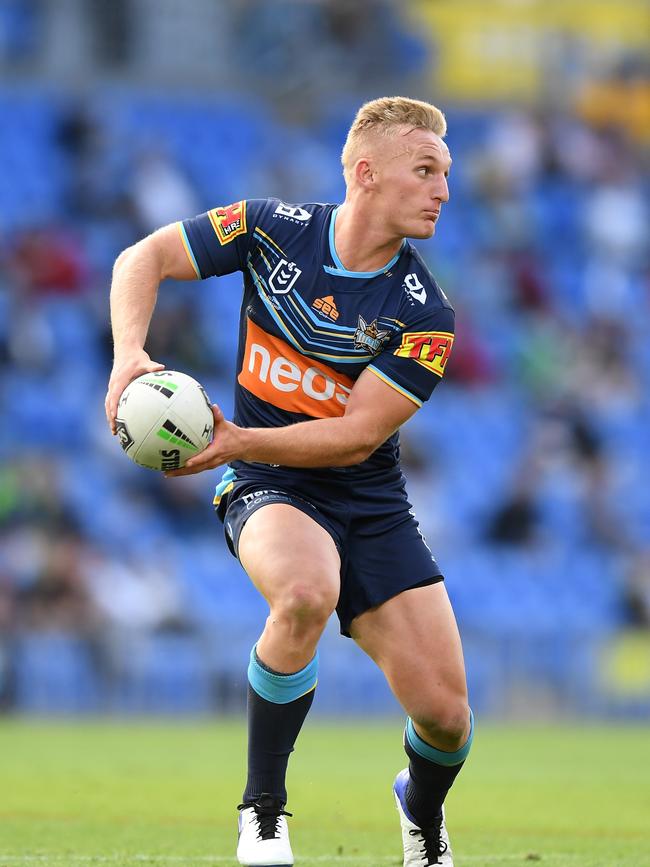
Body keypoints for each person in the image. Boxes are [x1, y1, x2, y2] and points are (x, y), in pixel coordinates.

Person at [106, 96, 473, 867]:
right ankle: (263, 812)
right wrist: (129, 355)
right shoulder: (269, 227)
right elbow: (141, 257)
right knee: (305, 592)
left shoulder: (426, 313)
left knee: (446, 719)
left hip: (370, 502)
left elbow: (356, 435)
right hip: (267, 480)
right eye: (427, 170)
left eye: (446, 173)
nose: (444, 188)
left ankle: (421, 807)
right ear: (367, 173)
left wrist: (235, 432)